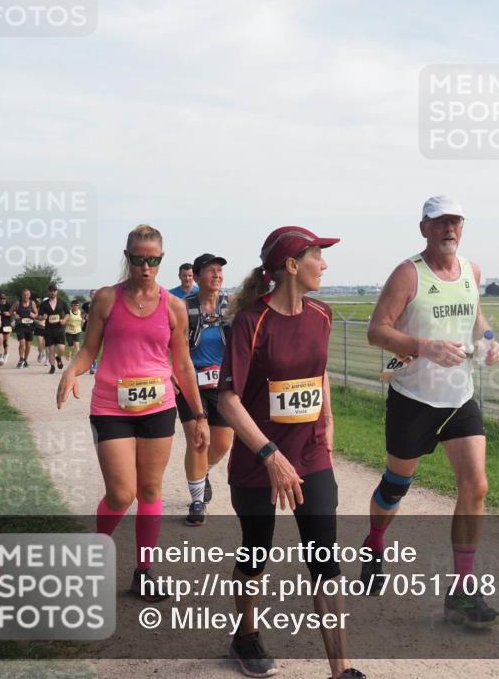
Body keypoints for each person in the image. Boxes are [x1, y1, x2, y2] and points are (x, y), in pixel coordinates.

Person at [218, 226, 364, 679]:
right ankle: (245, 635)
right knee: (256, 552)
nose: (325, 265)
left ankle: (341, 669)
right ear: (291, 266)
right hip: (259, 460)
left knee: (325, 555)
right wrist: (269, 455)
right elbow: (226, 399)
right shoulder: (250, 322)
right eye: (318, 256)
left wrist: (328, 429)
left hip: (311, 454)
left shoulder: (322, 314)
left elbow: (318, 377)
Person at [362, 195, 499, 629]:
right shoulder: (409, 274)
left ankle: (461, 591)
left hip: (459, 397)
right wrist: (425, 347)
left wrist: (490, 340)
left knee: (476, 486)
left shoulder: (472, 272)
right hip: (412, 398)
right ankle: (376, 543)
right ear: (424, 228)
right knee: (396, 486)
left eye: (456, 222)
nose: (449, 229)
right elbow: (376, 331)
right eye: (440, 222)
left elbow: (476, 316)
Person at [57, 224, 208, 602]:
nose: (146, 266)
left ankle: (144, 571)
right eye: (139, 259)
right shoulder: (107, 299)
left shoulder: (174, 307)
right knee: (122, 494)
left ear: (161, 260)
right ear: (128, 258)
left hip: (158, 405)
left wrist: (200, 415)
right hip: (112, 406)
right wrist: (71, 370)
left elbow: (183, 365)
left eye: (153, 259)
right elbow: (90, 349)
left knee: (151, 489)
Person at [178, 253, 235, 526]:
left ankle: (203, 473)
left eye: (220, 271)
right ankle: (197, 500)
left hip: (222, 382)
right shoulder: (183, 307)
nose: (217, 275)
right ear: (198, 277)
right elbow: (171, 346)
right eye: (211, 271)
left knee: (222, 442)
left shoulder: (232, 304)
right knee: (199, 440)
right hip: (191, 381)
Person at [39, 284, 70, 375]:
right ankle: (52, 367)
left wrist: (64, 320)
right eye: (51, 291)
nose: (53, 292)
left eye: (54, 290)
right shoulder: (44, 304)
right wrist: (42, 317)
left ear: (57, 292)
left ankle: (59, 358)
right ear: (48, 292)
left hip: (59, 329)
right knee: (51, 350)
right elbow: (39, 316)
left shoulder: (61, 302)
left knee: (61, 349)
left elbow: (68, 313)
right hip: (49, 329)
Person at [12, 288, 38, 369]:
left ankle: (25, 360)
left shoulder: (32, 303)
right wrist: (14, 315)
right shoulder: (17, 303)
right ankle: (21, 359)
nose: (26, 296)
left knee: (28, 345)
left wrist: (34, 315)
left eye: (27, 295)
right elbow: (11, 311)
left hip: (30, 325)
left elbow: (36, 313)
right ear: (22, 295)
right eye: (24, 294)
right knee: (22, 342)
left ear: (29, 295)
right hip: (20, 325)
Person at [0, 292, 14, 365]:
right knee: (0, 341)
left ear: (6, 298)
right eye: (1, 298)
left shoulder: (9, 305)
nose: (2, 300)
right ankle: (0, 358)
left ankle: (5, 354)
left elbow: (14, 313)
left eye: (4, 298)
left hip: (7, 325)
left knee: (5, 342)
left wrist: (9, 313)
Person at [82, 289, 98, 374]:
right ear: (90, 295)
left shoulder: (101, 304)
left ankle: (94, 363)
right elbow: (84, 314)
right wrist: (84, 317)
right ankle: (92, 363)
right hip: (88, 327)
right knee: (88, 346)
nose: (93, 295)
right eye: (92, 294)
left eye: (95, 293)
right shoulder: (86, 305)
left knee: (95, 346)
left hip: (97, 327)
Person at [34, 298, 47, 363]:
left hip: (46, 329)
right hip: (39, 328)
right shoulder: (38, 310)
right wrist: (37, 321)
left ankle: (42, 353)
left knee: (44, 344)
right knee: (40, 342)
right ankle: (41, 354)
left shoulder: (49, 310)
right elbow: (34, 318)